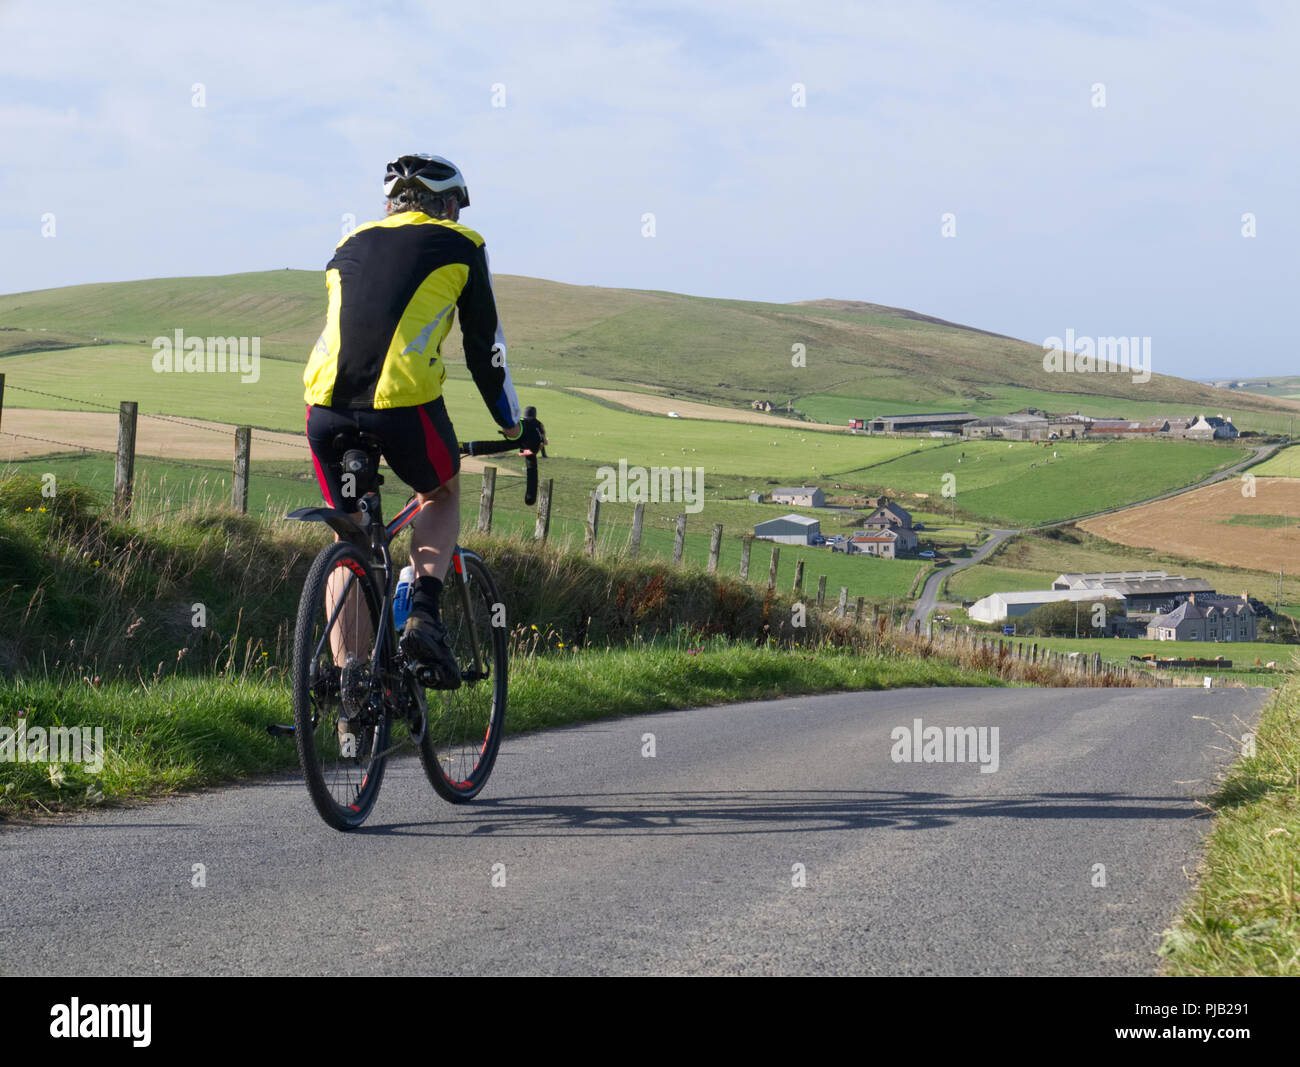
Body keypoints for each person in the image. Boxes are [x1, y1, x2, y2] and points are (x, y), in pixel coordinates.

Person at [302, 153, 539, 686]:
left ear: (391, 205)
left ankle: (350, 693)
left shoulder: (348, 245)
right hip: (402, 405)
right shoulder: (463, 245)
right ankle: (424, 618)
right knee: (441, 494)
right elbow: (486, 353)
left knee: (351, 540)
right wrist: (513, 429)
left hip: (324, 409)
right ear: (450, 206)